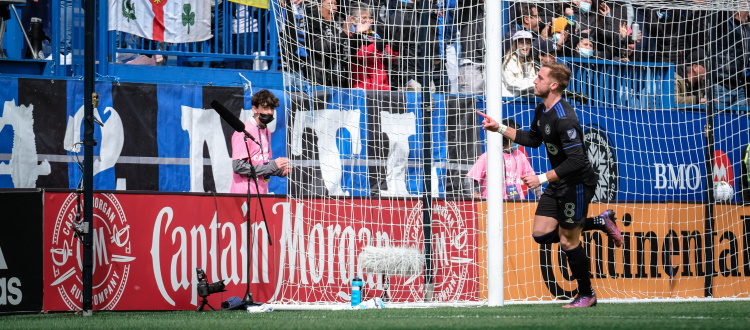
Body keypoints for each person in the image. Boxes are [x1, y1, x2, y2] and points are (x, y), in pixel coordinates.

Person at [477, 61, 623, 308]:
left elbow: (577, 160)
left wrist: (541, 178)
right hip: (559, 182)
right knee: (541, 234)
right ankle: (599, 222)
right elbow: (533, 139)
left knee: (568, 241)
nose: (535, 80)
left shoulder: (565, 119)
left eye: (540, 78)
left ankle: (587, 294)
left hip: (576, 184)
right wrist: (499, 128)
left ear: (553, 85)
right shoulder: (542, 110)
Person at [231, 90, 292, 194]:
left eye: (271, 108)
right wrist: (271, 167)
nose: (269, 112)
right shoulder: (243, 131)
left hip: (261, 192)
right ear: (254, 109)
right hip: (244, 193)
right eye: (265, 108)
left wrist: (278, 171)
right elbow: (238, 167)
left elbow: (262, 164)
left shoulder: (267, 131)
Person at [466, 119, 535, 200]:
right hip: (491, 204)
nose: (518, 138)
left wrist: (540, 195)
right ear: (506, 136)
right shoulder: (488, 156)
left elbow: (532, 179)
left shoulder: (520, 155)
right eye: (515, 135)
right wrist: (473, 193)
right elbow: (469, 178)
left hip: (517, 203)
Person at [344, 2, 396, 90]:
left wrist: (394, 46)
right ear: (353, 20)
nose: (368, 21)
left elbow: (392, 57)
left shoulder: (374, 35)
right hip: (361, 87)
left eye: (369, 18)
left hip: (382, 87)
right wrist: (380, 45)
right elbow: (361, 55)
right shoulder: (349, 36)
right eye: (364, 18)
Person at [502, 30, 538, 97]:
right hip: (509, 100)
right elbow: (511, 83)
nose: (525, 46)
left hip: (526, 99)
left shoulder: (531, 62)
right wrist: (534, 83)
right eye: (521, 43)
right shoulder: (509, 60)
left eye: (528, 43)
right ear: (516, 45)